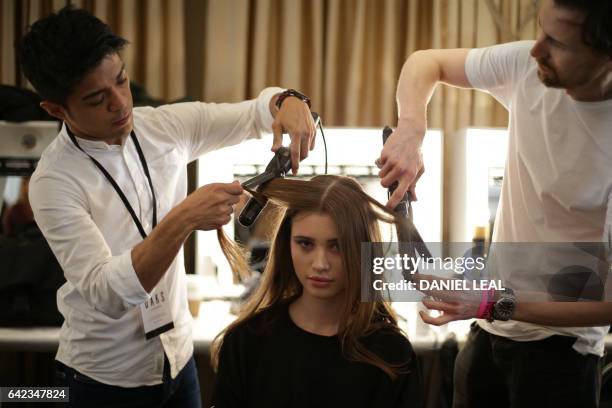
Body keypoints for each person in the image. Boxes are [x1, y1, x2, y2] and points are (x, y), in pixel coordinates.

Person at [20, 6, 316, 408]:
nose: (120, 103)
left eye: (121, 81)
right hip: (103, 381)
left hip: (177, 364)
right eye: (96, 99)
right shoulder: (54, 183)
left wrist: (286, 101)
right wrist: (184, 217)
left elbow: (253, 115)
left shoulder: (163, 127)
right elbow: (108, 294)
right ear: (56, 110)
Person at [377, 0, 612, 407]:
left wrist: (491, 301)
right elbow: (425, 62)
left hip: (560, 355)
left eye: (557, 42)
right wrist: (412, 128)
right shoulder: (527, 66)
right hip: (487, 334)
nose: (536, 48)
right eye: (541, 30)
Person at [210, 175, 423, 408]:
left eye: (337, 246)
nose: (320, 263)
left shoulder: (392, 354)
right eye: (305, 244)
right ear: (286, 244)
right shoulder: (245, 342)